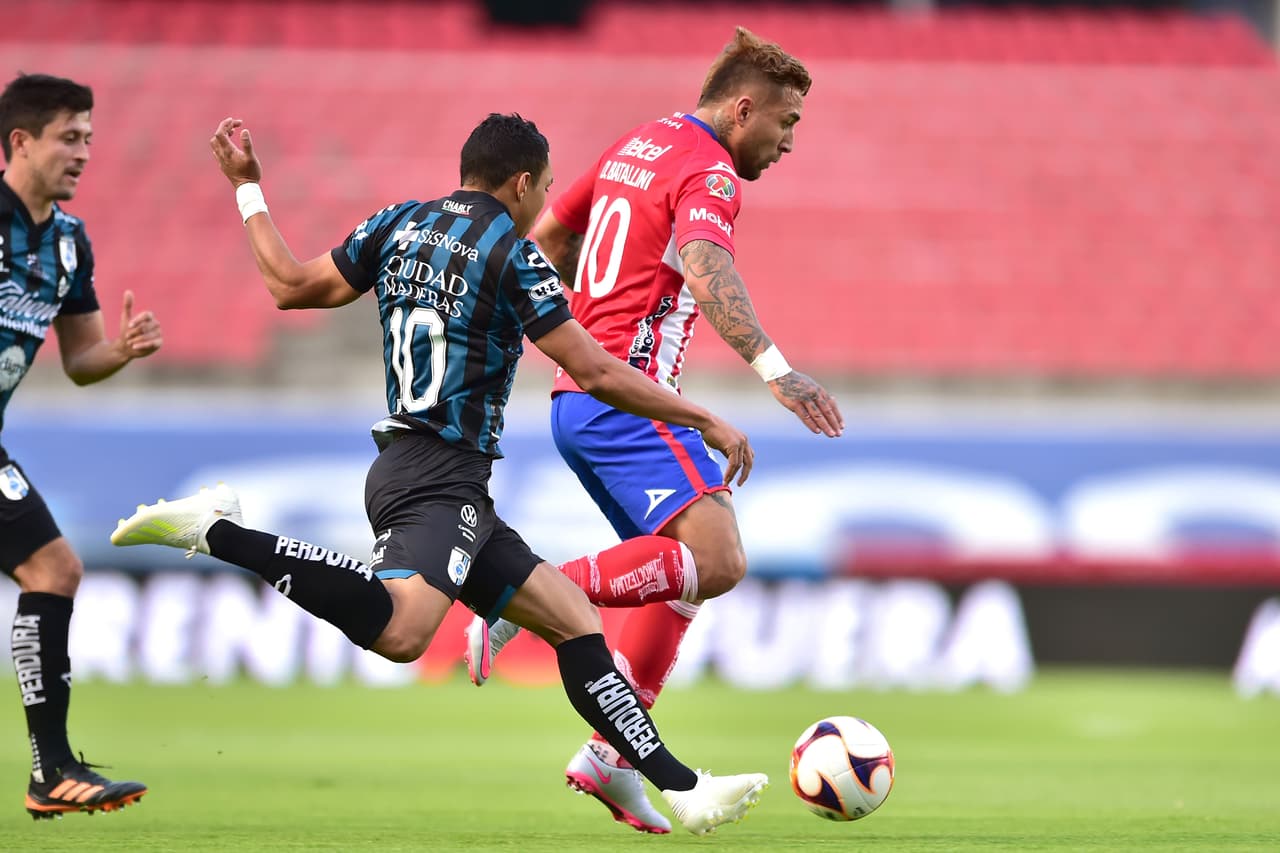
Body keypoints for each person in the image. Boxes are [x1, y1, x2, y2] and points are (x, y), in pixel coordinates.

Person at [110, 113, 767, 835]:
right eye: (545, 189)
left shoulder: (399, 223)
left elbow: (290, 285)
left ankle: (682, 785)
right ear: (521, 184)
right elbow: (596, 370)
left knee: (576, 623)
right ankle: (217, 530)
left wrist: (248, 189)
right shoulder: (512, 256)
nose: (546, 203)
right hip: (437, 477)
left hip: (430, 472)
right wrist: (701, 415)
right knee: (402, 632)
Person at [462, 27, 844, 833]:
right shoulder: (707, 169)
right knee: (721, 557)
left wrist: (577, 322)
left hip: (580, 396)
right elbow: (708, 270)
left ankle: (610, 753)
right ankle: (524, 590)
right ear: (744, 109)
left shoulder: (638, 142)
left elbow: (551, 239)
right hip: (624, 399)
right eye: (787, 123)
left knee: (685, 574)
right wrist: (777, 369)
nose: (788, 144)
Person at [0, 73, 160, 819]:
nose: (84, 152)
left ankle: (51, 772)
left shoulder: (68, 243)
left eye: (89, 138)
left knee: (53, 569)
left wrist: (120, 351)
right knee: (53, 567)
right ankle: (51, 769)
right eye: (69, 137)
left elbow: (80, 359)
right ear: (19, 142)